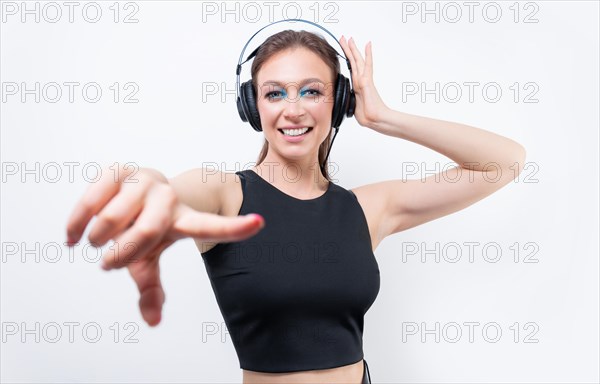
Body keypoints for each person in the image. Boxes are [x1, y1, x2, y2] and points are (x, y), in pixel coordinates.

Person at [65, 25, 526, 384]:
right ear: (252, 106)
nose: (294, 108)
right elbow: (171, 189)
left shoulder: (367, 209)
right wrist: (147, 185)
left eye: (312, 90)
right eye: (275, 92)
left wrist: (384, 117)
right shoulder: (226, 195)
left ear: (338, 101)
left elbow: (502, 163)